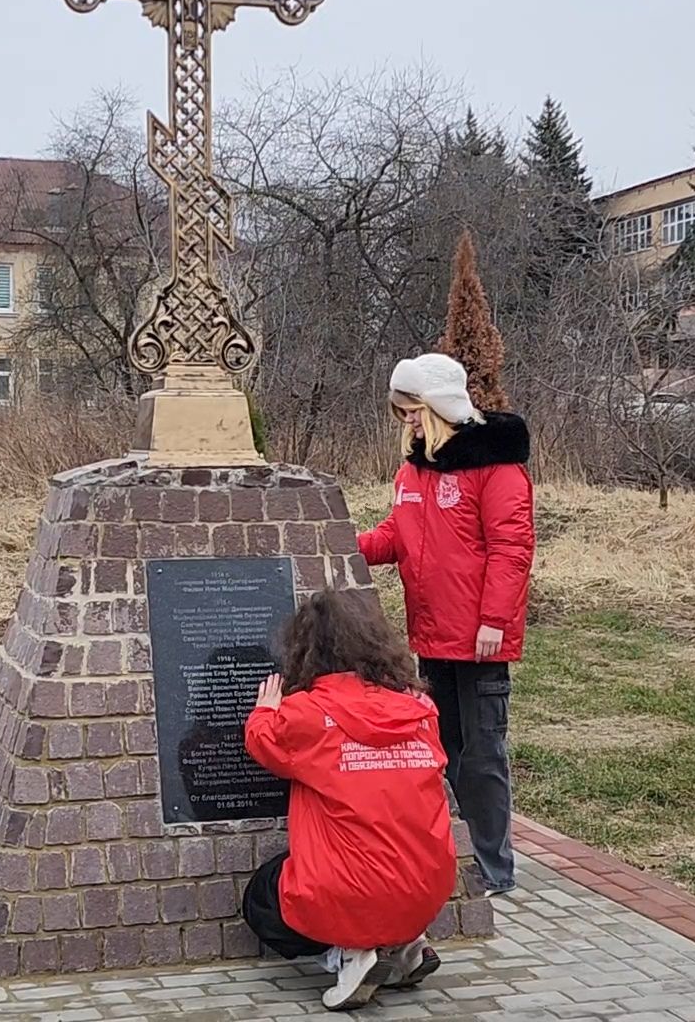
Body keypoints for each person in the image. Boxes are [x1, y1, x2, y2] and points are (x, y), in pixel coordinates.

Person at [358, 353, 534, 897]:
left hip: (480, 638)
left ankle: (493, 868)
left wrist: (494, 622)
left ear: (436, 406)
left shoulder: (495, 468)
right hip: (432, 634)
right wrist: (341, 546)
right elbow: (396, 535)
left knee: (483, 756)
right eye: (401, 411)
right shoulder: (414, 469)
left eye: (412, 409)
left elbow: (511, 548)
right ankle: (452, 853)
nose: (406, 420)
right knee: (444, 747)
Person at [241, 590, 457, 1012]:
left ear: (306, 648)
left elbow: (264, 744)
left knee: (264, 898)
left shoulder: (305, 713)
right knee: (377, 871)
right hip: (428, 886)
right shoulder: (419, 708)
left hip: (351, 892)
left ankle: (349, 957)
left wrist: (265, 711)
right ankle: (406, 945)